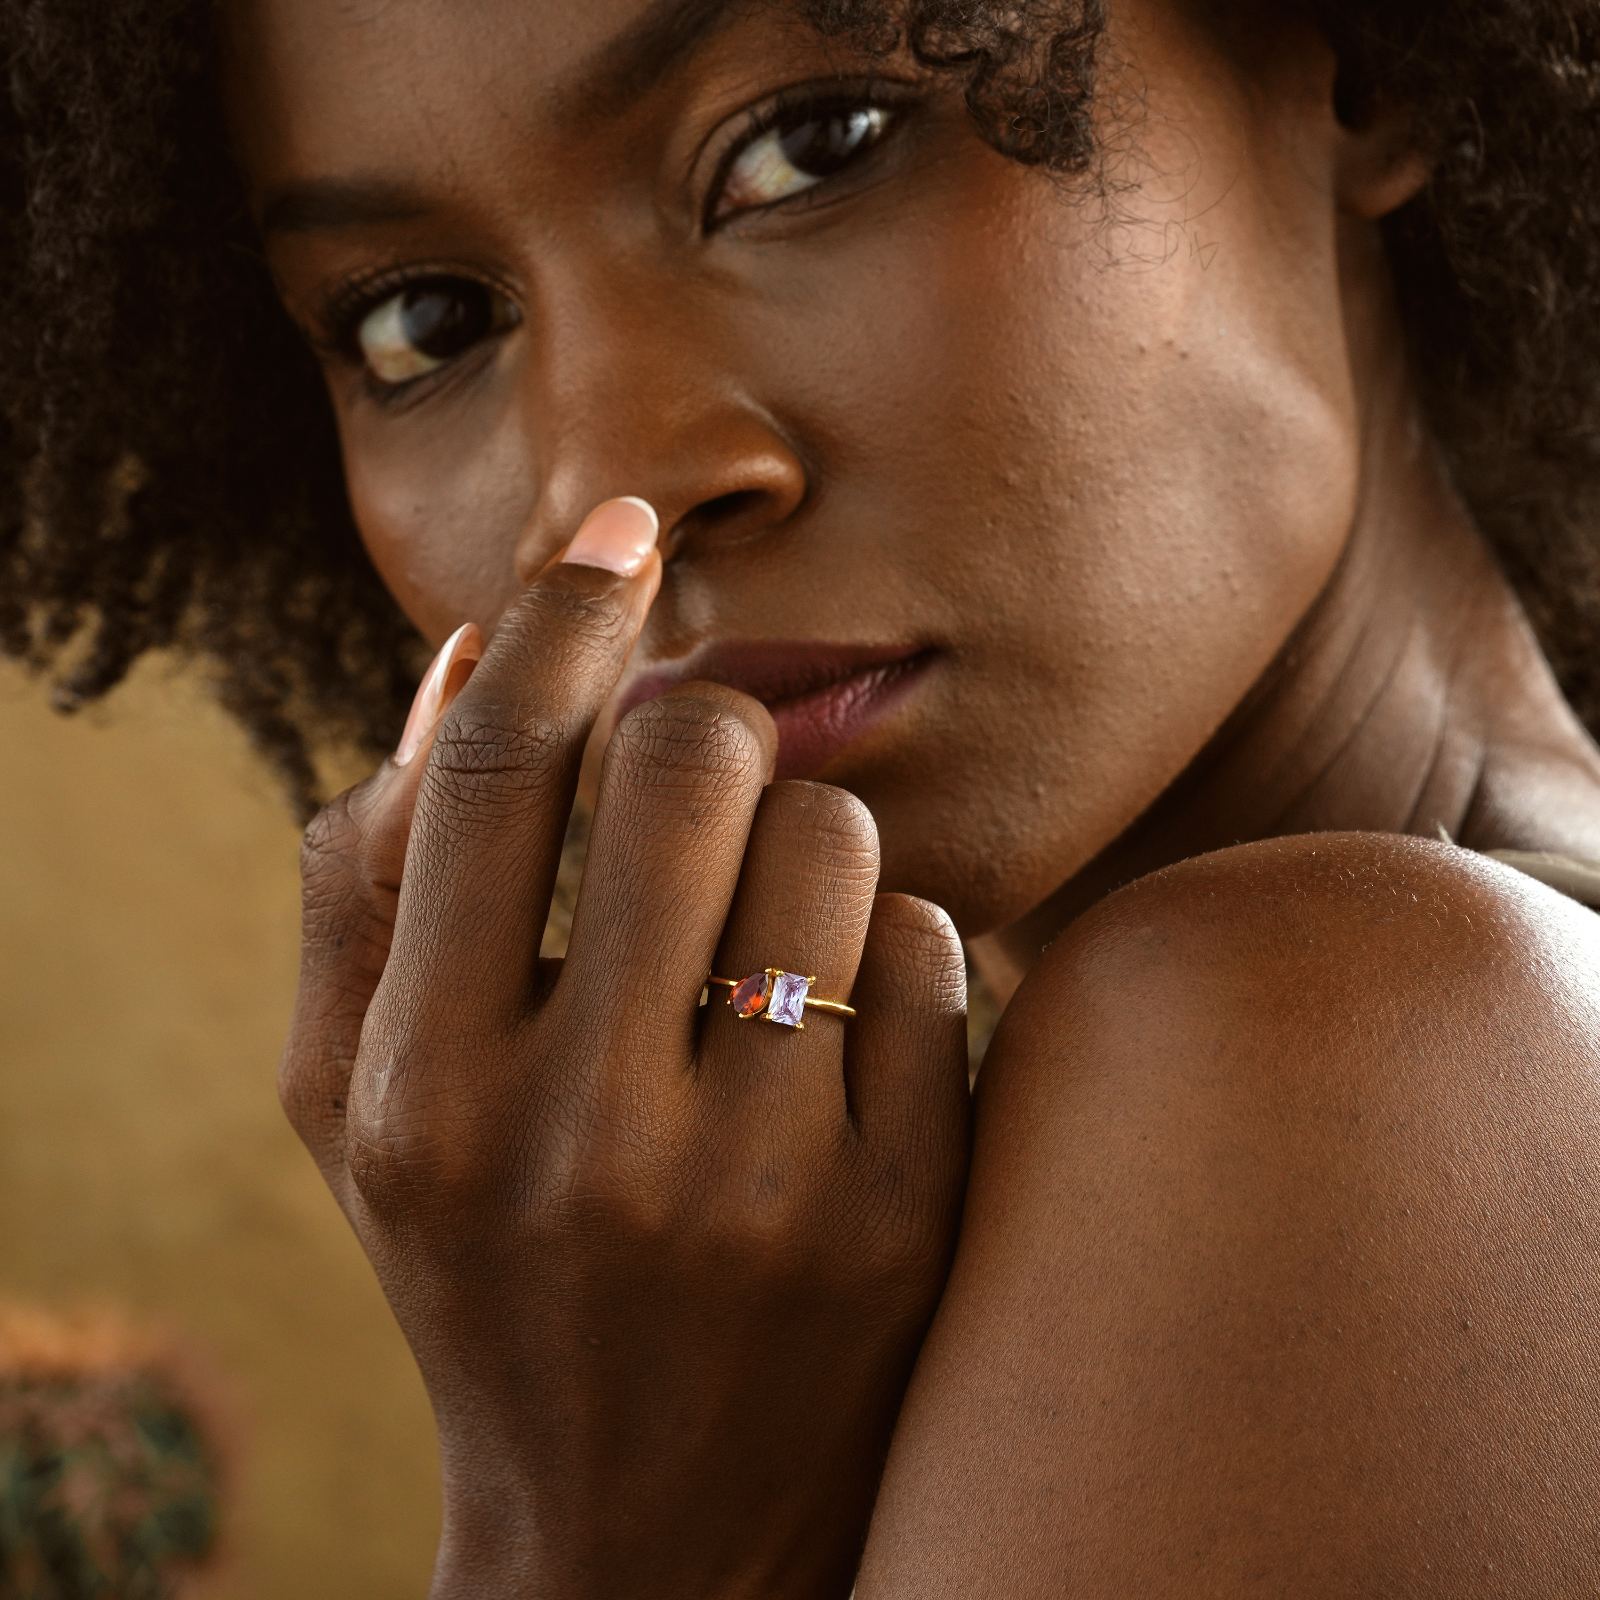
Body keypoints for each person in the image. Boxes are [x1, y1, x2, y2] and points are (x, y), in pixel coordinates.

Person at [6, 0, 1600, 1592]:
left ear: (1359, 63)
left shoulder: (1325, 1051)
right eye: (422, 323)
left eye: (809, 148)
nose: (606, 480)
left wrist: (598, 1540)